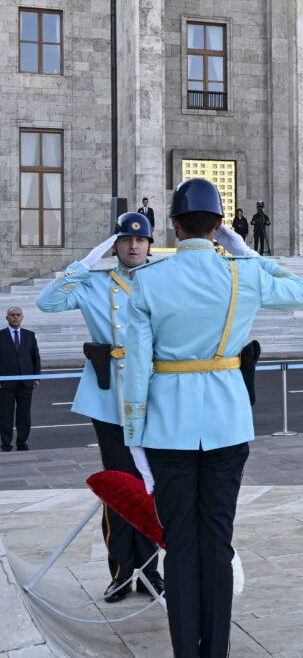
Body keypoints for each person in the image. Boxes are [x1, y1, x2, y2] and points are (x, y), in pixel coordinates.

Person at [121, 177, 303, 656]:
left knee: (180, 543)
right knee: (218, 540)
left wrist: (134, 434)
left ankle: (186, 650)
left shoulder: (148, 279)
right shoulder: (242, 273)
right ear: (220, 225)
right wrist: (244, 250)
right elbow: (298, 290)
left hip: (168, 426)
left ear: (173, 224)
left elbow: (137, 366)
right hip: (227, 423)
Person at [36, 212, 162, 601]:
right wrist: (85, 263)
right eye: (125, 240)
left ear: (149, 245)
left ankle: (150, 569)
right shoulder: (94, 282)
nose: (133, 246)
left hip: (154, 395)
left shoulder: (163, 279)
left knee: (152, 485)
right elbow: (48, 301)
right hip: (111, 398)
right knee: (119, 484)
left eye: (140, 240)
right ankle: (121, 571)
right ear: (115, 245)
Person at [0, 307, 40, 451]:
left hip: (26, 382)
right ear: (7, 318)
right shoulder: (1, 335)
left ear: (22, 317)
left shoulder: (30, 335)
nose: (15, 317)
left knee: (24, 415)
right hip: (5, 383)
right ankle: (6, 444)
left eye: (18, 315)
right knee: (5, 415)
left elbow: (35, 357)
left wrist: (36, 377)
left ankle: (22, 443)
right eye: (12, 315)